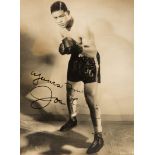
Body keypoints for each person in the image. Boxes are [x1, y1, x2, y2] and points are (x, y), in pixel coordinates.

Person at [50, 1, 104, 154]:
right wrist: (64, 47)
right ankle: (72, 119)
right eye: (55, 18)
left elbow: (92, 51)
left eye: (61, 16)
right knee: (70, 91)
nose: (59, 20)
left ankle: (99, 136)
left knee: (91, 98)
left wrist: (76, 47)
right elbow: (67, 44)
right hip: (75, 60)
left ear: (68, 13)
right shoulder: (61, 28)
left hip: (90, 62)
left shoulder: (82, 26)